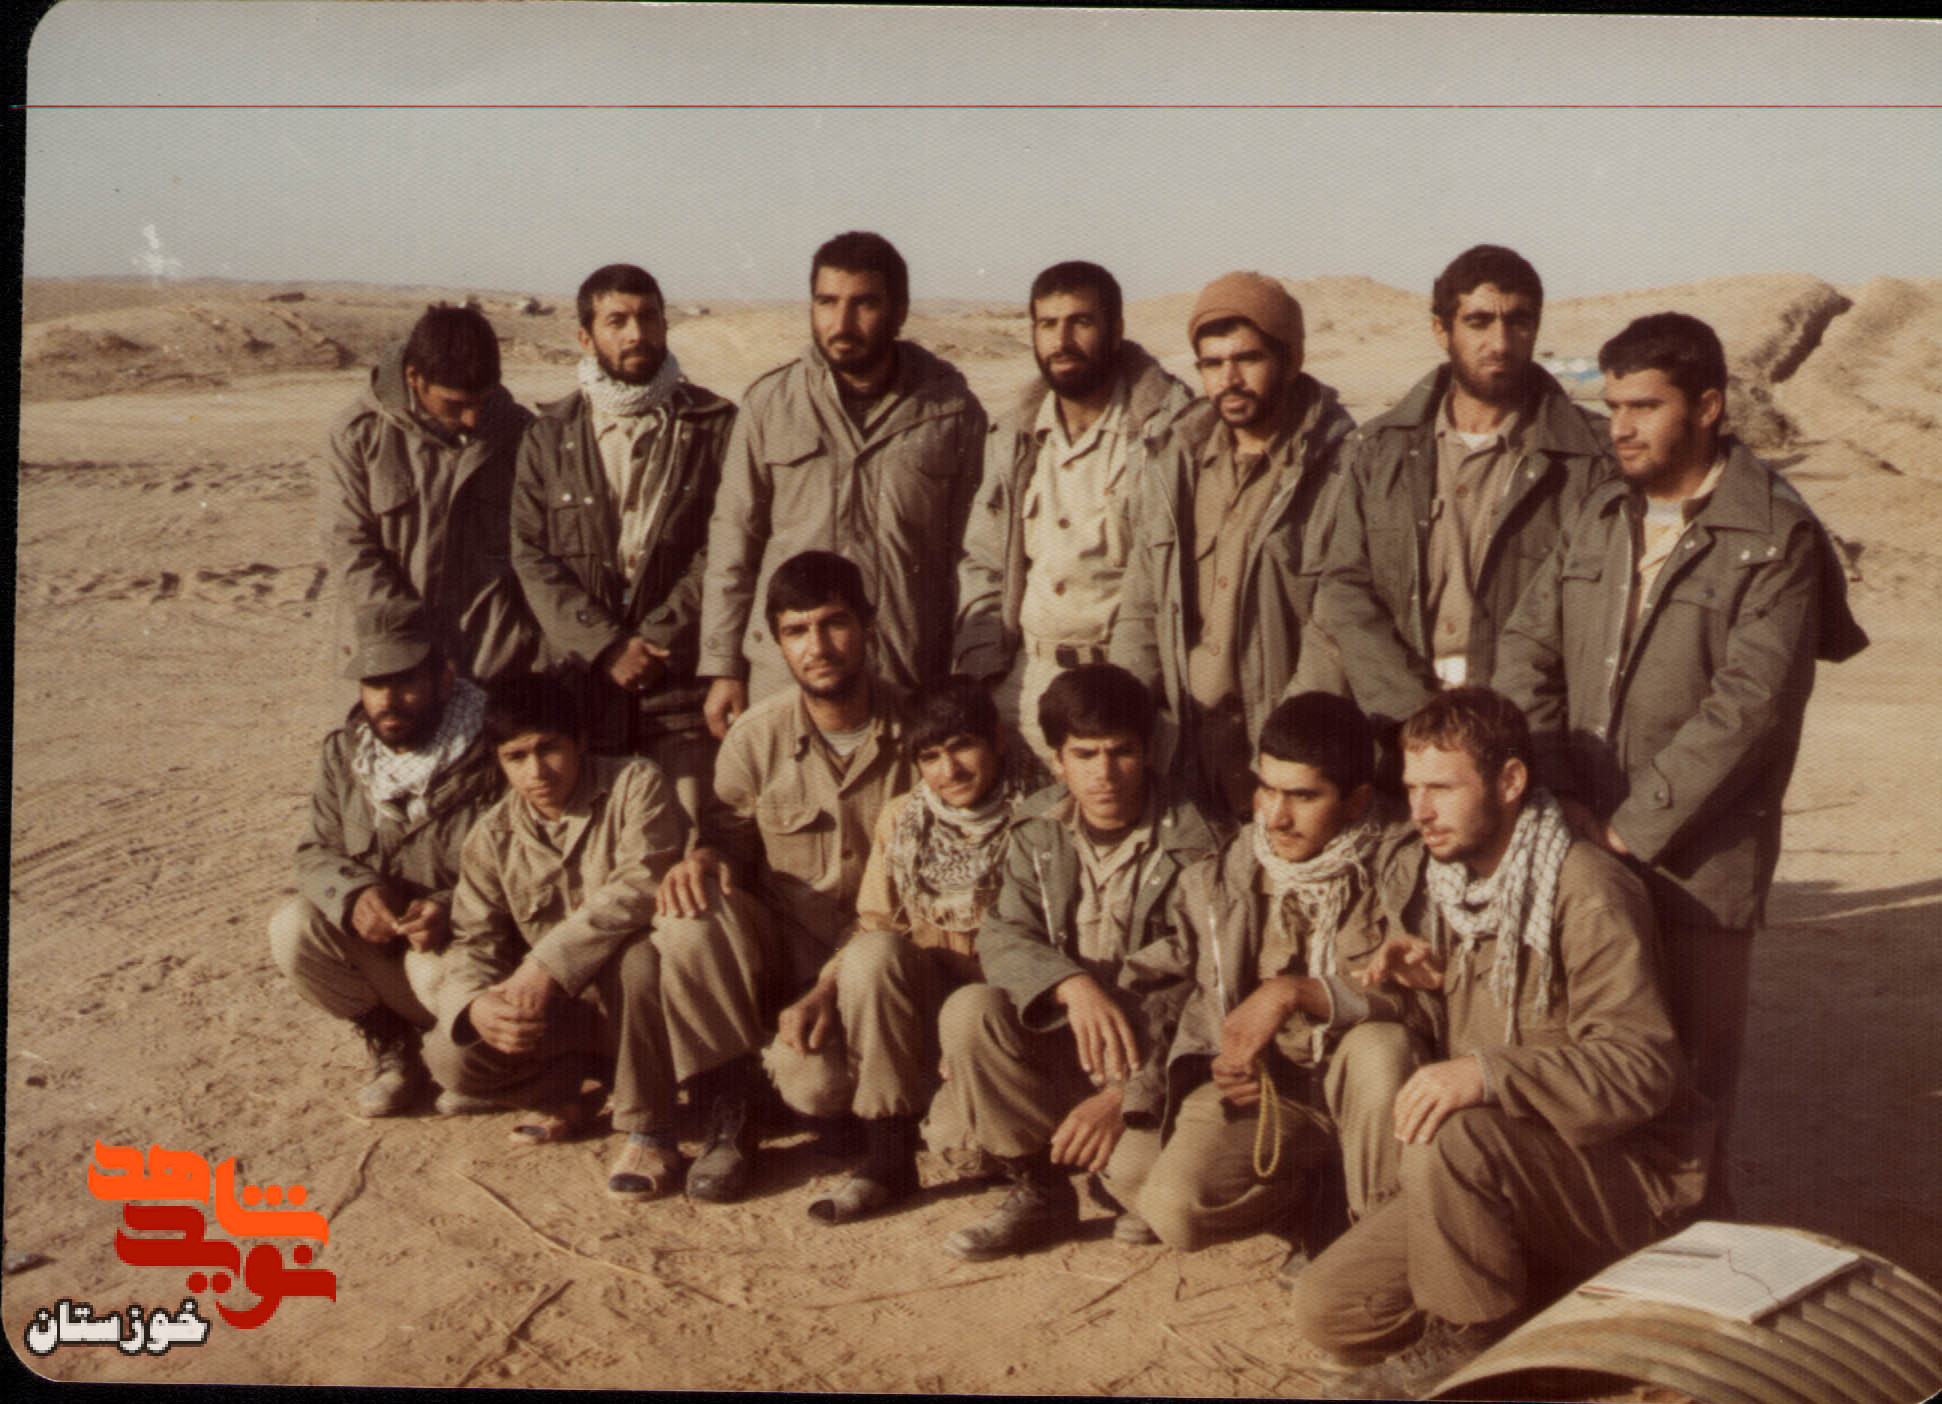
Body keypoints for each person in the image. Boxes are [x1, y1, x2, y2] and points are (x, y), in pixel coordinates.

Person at [1496, 312, 1867, 1213]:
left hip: (1697, 869)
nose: (1619, 427)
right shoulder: (1598, 515)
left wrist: (1626, 829)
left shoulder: (1775, 537)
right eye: (1612, 405)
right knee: (1582, 1070)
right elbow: (1526, 651)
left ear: (1707, 407)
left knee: (1687, 1098)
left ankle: (1692, 1266)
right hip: (1576, 846)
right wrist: (1556, 796)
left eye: (1644, 407)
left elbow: (1749, 710)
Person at [1288, 688, 1711, 1399]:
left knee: (1454, 1127)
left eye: (1442, 789)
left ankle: (1475, 1346)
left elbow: (1642, 1068)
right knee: (1331, 1308)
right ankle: (1544, 1320)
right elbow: (1469, 1026)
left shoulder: (1586, 888)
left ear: (1510, 782)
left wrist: (1486, 1074)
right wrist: (1414, 989)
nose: (1420, 811)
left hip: (1626, 1180)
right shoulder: (1455, 881)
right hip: (1508, 1172)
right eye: (1412, 789)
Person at [422, 674, 768, 1202]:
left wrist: (544, 964)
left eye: (549, 748)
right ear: (498, 761)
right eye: (516, 757)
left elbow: (643, 883)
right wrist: (474, 1005)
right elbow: (474, 941)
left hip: (652, 1004)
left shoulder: (634, 783)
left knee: (636, 957)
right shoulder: (490, 837)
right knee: (452, 1057)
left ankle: (651, 1130)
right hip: (570, 1013)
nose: (536, 771)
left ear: (580, 740)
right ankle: (580, 1087)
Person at [930, 663, 1220, 1260]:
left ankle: (1117, 1166)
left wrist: (1125, 1094)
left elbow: (1207, 990)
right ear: (1058, 760)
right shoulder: (1038, 826)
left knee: (1140, 1183)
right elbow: (1004, 933)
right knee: (969, 1017)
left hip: (1161, 1061)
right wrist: (1070, 984)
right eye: (1084, 755)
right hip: (1070, 1038)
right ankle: (1040, 1189)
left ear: (1149, 751)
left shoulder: (1198, 843)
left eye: (1121, 752)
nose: (1104, 774)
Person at [1136, 693, 1434, 1265]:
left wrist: (1298, 991)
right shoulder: (1229, 871)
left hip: (1375, 1101)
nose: (1275, 816)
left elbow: (1434, 1005)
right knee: (1170, 1206)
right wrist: (1221, 1058)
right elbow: (1189, 985)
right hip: (1279, 1094)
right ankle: (1316, 1212)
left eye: (1303, 796)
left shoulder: (1409, 864)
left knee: (1379, 1048)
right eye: (1267, 789)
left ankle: (1381, 1254)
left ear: (1357, 801)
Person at [658, 551, 918, 1203]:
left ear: (868, 624)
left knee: (821, 1086)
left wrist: (833, 985)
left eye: (834, 623)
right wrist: (706, 859)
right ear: (777, 643)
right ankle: (731, 1103)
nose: (817, 647)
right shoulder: (755, 738)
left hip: (880, 969)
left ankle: (868, 1120)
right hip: (787, 959)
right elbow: (729, 843)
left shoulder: (920, 733)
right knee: (686, 914)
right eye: (796, 631)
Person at [762, 676, 1047, 1225]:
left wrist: (969, 1017)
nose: (949, 771)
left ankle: (1004, 1151)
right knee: (860, 978)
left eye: (963, 747)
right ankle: (888, 1154)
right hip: (919, 1012)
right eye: (931, 757)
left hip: (997, 1019)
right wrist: (823, 989)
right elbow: (874, 923)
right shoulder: (904, 818)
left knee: (963, 1148)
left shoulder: (1041, 816)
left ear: (997, 740)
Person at [1302, 246, 1612, 737]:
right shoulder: (1379, 450)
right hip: (1399, 728)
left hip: (1526, 731)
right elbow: (1346, 587)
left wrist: (1507, 728)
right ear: (1441, 330)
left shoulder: (1590, 460)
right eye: (1478, 322)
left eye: (1518, 322)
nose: (1500, 343)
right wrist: (1415, 716)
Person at [697, 231, 986, 731]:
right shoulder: (771, 405)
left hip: (904, 674)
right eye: (827, 302)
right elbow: (733, 543)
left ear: (899, 311)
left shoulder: (950, 411)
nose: (841, 324)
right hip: (786, 680)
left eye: (864, 304)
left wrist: (972, 666)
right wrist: (723, 666)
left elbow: (976, 555)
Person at [1110, 271, 1356, 820]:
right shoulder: (1175, 460)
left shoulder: (1340, 469)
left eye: (1247, 359)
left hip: (1284, 750)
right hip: (1185, 744)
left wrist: (1287, 751)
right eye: (1212, 364)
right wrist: (1123, 717)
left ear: (1292, 360)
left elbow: (1335, 624)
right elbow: (1142, 603)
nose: (1229, 379)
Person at [510, 262, 736, 828]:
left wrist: (658, 638)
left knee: (684, 849)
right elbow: (531, 555)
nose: (637, 334)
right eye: (617, 321)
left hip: (678, 694)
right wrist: (607, 647)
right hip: (582, 695)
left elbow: (728, 545)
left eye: (648, 318)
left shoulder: (714, 427)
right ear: (585, 337)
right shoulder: (548, 437)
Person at [269, 600, 504, 1117]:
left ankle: (483, 1066)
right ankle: (394, 1045)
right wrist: (354, 894)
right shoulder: (344, 754)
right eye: (374, 684)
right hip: (393, 953)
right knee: (294, 929)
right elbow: (316, 851)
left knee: (439, 988)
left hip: (475, 950)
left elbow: (526, 869)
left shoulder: (496, 748)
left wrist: (450, 906)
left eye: (405, 682)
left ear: (444, 680)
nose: (388, 701)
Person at [954, 260, 1193, 763]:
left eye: (1080, 322)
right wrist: (982, 670)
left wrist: (1126, 695)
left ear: (1116, 330)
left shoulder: (1167, 433)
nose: (1061, 341)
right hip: (1024, 684)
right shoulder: (1015, 435)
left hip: (1122, 688)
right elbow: (983, 560)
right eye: (1047, 324)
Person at [323, 302, 535, 682]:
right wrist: (409, 646)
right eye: (455, 404)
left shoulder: (521, 434)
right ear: (413, 377)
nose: (471, 418)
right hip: (394, 658)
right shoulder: (359, 435)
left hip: (497, 662)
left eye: (482, 401)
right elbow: (349, 546)